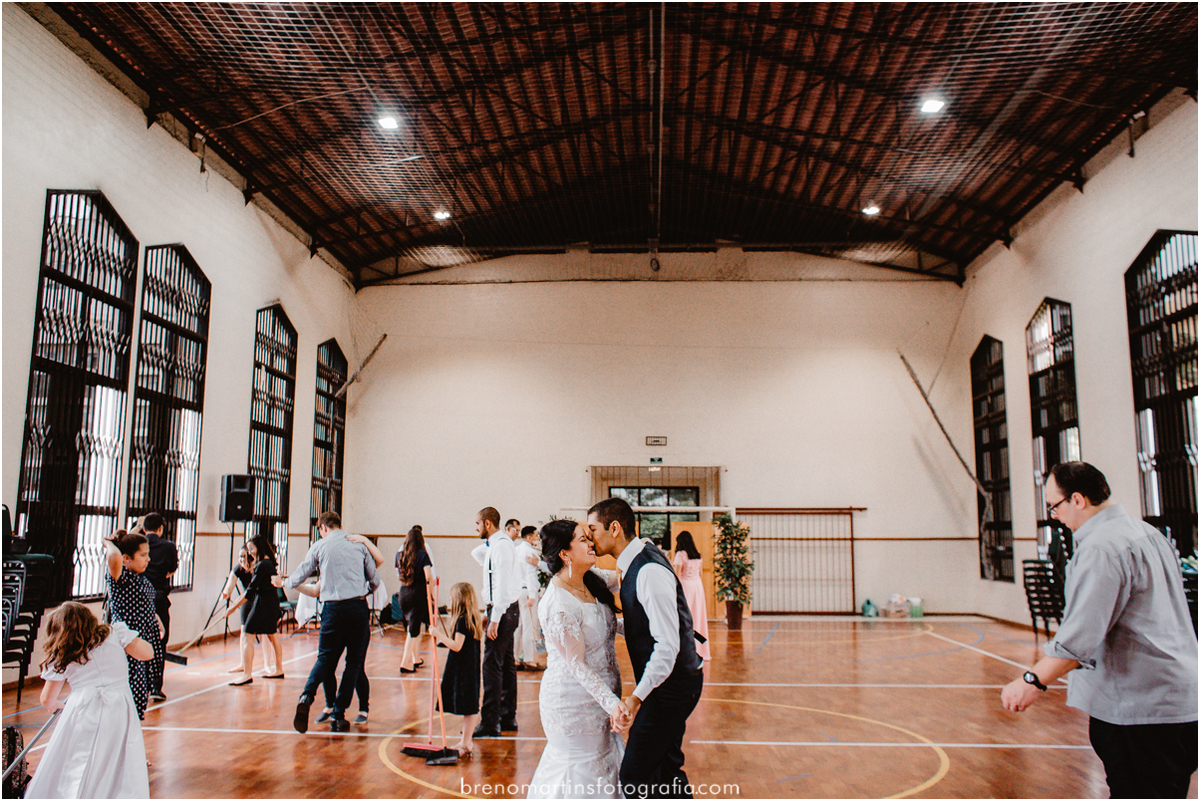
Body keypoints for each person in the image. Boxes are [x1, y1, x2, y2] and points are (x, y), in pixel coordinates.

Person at [1000, 461, 1198, 798]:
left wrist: (1032, 680)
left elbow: (1081, 635)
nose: (1055, 516)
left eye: (1055, 506)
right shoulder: (1148, 533)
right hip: (1182, 700)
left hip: (1139, 710)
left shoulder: (1101, 547)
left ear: (1077, 500)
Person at [589, 497, 703, 799]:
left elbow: (667, 646)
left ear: (614, 528)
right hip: (671, 684)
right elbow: (645, 625)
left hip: (674, 686)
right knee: (665, 769)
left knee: (634, 776)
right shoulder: (635, 559)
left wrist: (635, 699)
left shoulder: (648, 570)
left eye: (593, 529)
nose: (590, 537)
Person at [527, 520, 629, 799]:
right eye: (583, 540)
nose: (591, 543)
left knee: (605, 761)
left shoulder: (591, 579)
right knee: (581, 772)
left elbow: (628, 578)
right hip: (572, 703)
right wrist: (612, 704)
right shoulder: (557, 603)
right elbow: (576, 664)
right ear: (564, 553)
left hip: (601, 696)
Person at [25, 602, 154, 799]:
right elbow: (147, 653)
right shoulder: (114, 634)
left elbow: (47, 699)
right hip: (120, 706)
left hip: (83, 708)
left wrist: (58, 706)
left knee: (79, 759)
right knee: (116, 758)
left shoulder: (63, 651)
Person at [274, 510, 380, 734]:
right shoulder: (358, 544)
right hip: (357, 608)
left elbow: (302, 573)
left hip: (332, 609)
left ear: (322, 527)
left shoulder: (320, 546)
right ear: (339, 525)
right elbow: (376, 579)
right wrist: (363, 589)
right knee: (353, 664)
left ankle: (307, 695)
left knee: (325, 659)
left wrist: (284, 582)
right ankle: (339, 715)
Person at [104, 529, 164, 720]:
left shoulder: (140, 578)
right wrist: (109, 543)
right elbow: (114, 555)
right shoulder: (120, 579)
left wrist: (155, 617)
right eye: (143, 556)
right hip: (127, 640)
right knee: (129, 688)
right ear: (126, 559)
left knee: (141, 690)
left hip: (145, 636)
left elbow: (144, 603)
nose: (148, 560)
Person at [473, 506, 522, 738]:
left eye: (478, 523)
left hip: (503, 611)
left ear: (488, 523)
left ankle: (490, 722)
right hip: (505, 610)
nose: (476, 528)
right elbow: (477, 554)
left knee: (491, 665)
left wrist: (494, 618)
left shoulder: (501, 546)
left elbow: (501, 585)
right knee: (506, 663)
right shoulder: (498, 545)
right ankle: (507, 716)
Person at [221, 535, 284, 686]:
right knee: (272, 635)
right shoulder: (267, 563)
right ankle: (279, 669)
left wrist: (232, 608)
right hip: (269, 602)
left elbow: (249, 592)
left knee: (248, 634)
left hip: (263, 604)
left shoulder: (262, 565)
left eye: (251, 549)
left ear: (259, 546)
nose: (250, 552)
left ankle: (247, 674)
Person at [430, 581, 483, 756]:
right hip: (470, 668)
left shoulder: (462, 621)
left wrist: (439, 635)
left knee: (469, 706)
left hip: (464, 670)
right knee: (470, 706)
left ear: (459, 601)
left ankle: (466, 742)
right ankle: (465, 742)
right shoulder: (473, 619)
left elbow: (457, 645)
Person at [137, 512, 177, 703]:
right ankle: (155, 686)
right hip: (159, 598)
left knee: (136, 639)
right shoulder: (168, 546)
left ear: (144, 528)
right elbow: (171, 569)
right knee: (159, 642)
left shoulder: (136, 543)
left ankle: (138, 682)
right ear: (161, 528)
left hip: (137, 599)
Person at [396, 525, 434, 673]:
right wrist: (430, 595)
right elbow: (428, 577)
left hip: (403, 593)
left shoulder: (400, 555)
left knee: (413, 627)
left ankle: (415, 658)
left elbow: (398, 574)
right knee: (414, 630)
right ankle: (405, 662)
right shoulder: (422, 554)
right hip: (417, 594)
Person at [672, 531, 710, 661]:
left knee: (685, 617)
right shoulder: (697, 554)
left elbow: (676, 575)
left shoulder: (680, 554)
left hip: (686, 586)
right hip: (697, 586)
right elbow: (701, 574)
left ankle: (686, 650)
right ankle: (701, 648)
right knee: (698, 616)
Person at [514, 525, 546, 670]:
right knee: (530, 626)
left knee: (519, 626)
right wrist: (533, 596)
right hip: (528, 591)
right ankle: (528, 659)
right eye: (535, 535)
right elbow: (531, 576)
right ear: (528, 537)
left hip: (518, 591)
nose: (537, 538)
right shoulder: (530, 553)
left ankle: (515, 658)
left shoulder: (515, 550)